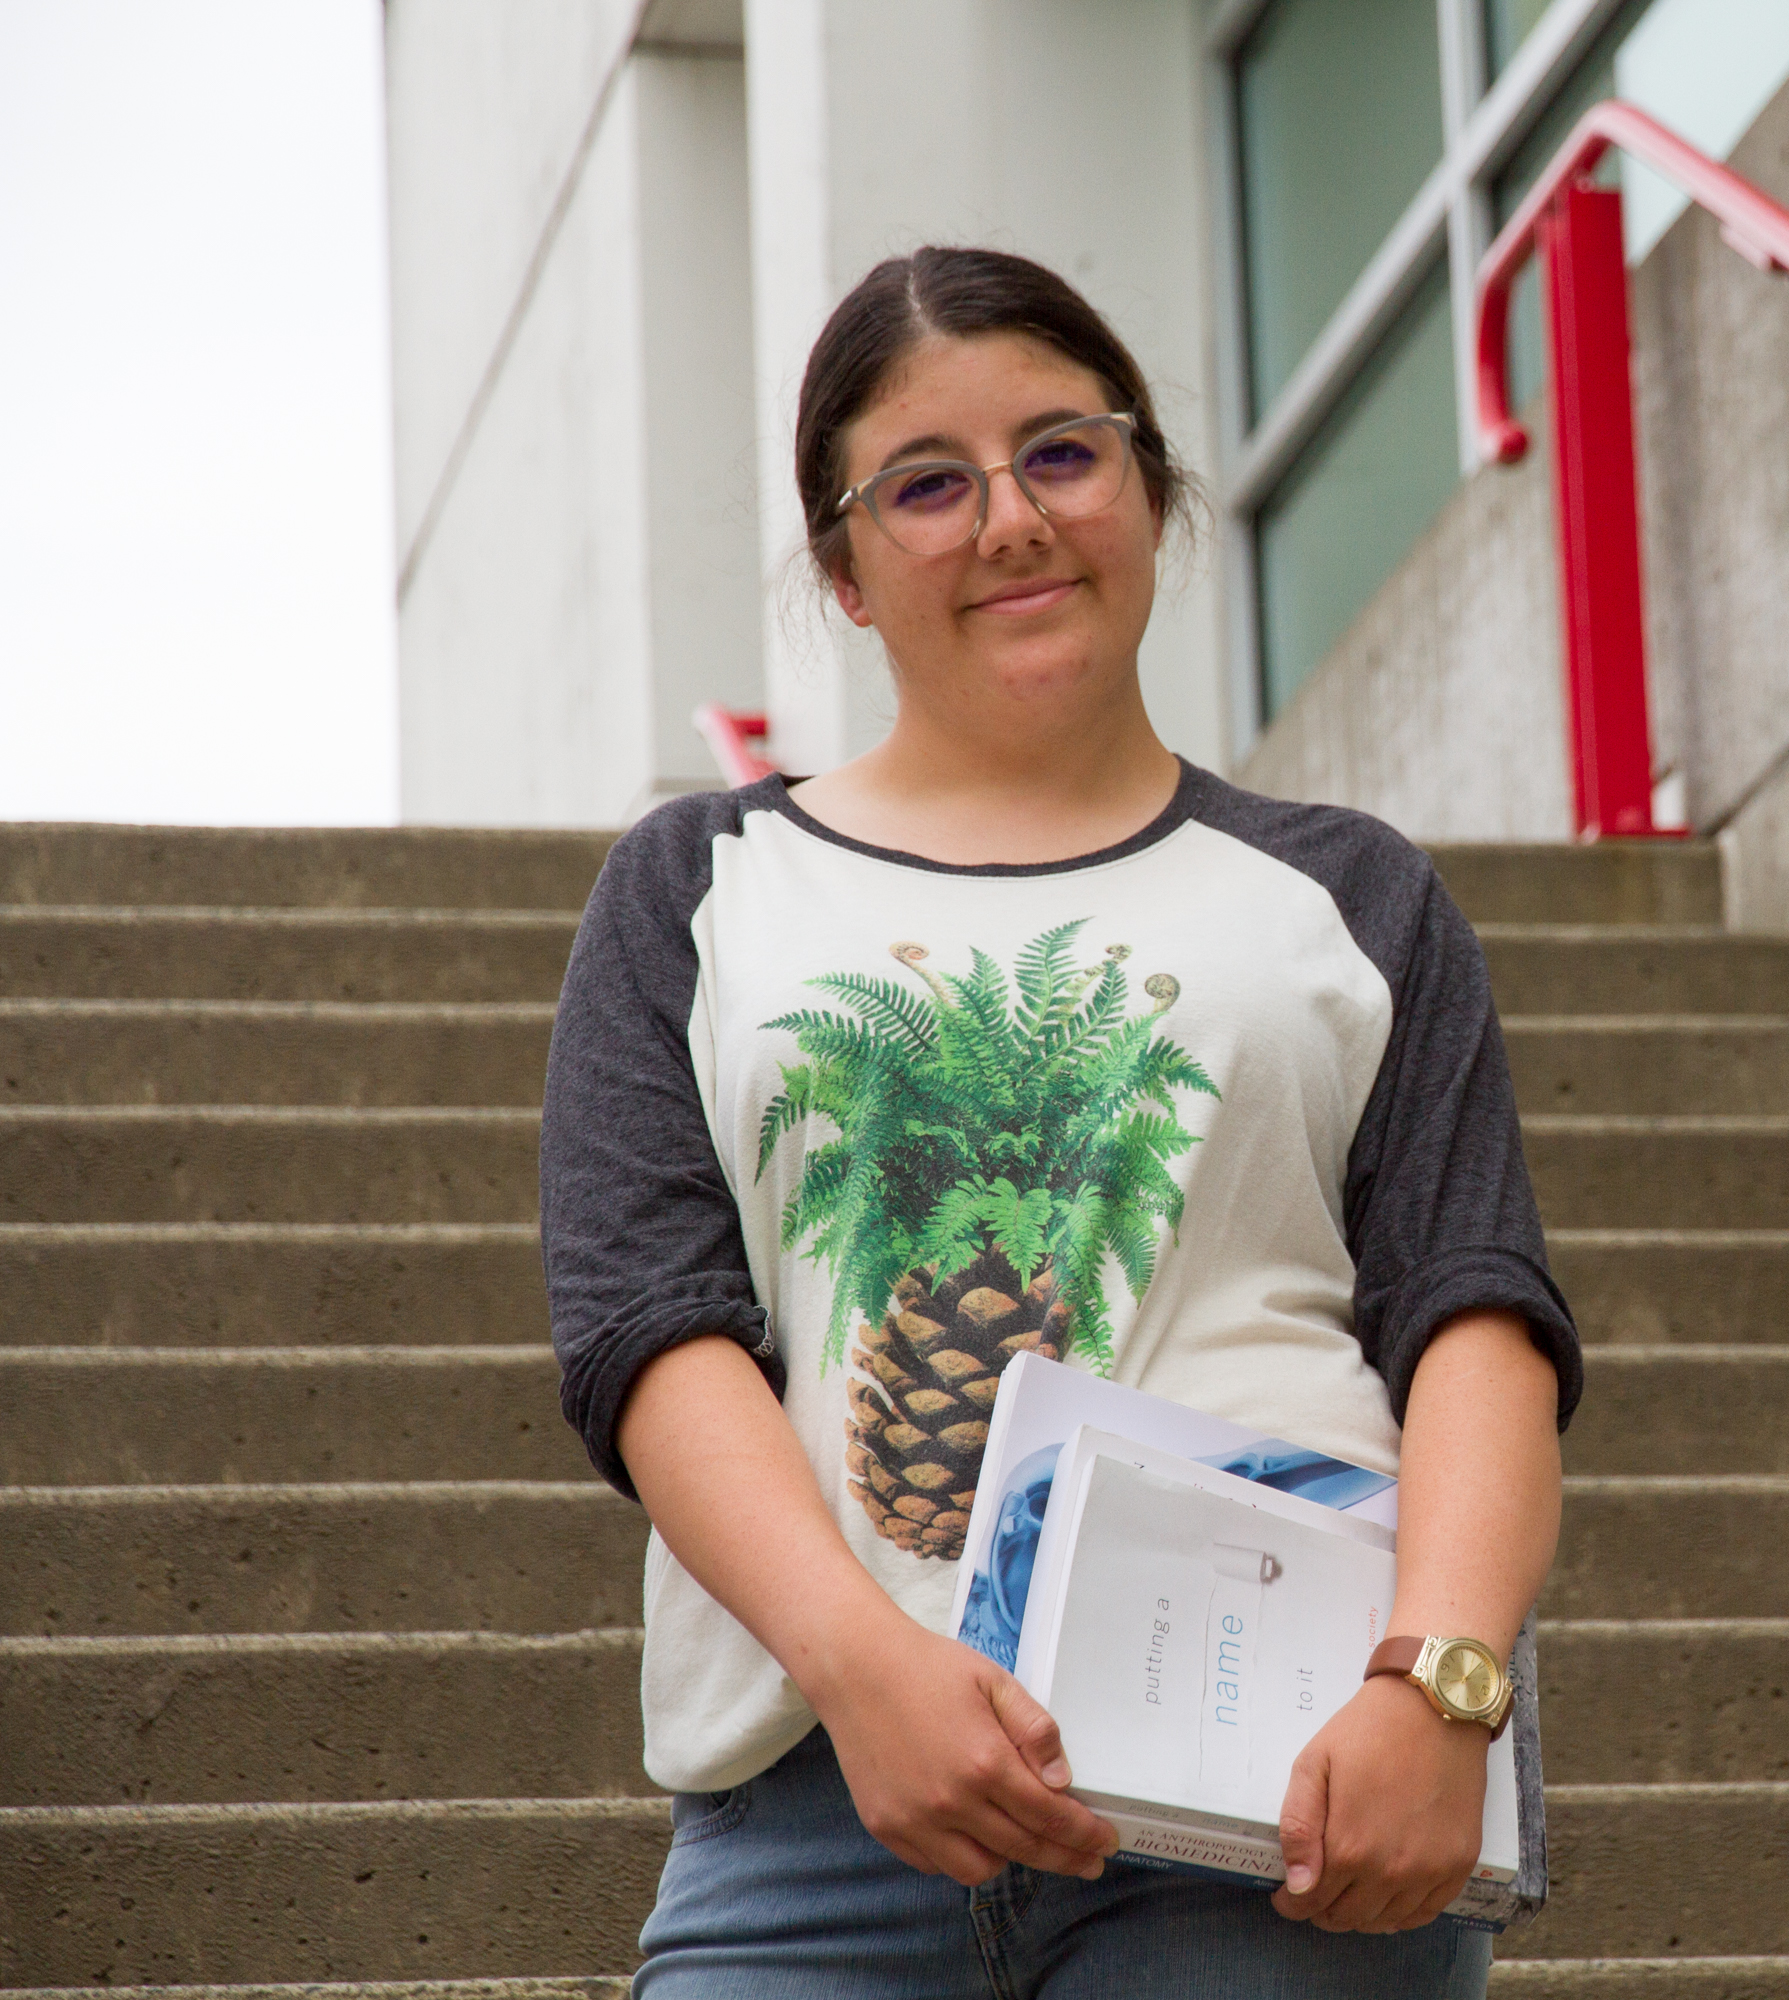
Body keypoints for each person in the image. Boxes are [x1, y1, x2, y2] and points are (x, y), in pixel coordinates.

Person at [541, 245, 1581, 1999]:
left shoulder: (1351, 896)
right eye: (927, 485)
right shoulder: (698, 888)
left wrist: (1440, 1683)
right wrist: (865, 1670)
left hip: (1273, 1802)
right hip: (818, 1809)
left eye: (1064, 453)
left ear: (1155, 491)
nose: (1010, 520)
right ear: (845, 569)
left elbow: (1474, 1316)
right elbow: (650, 1327)